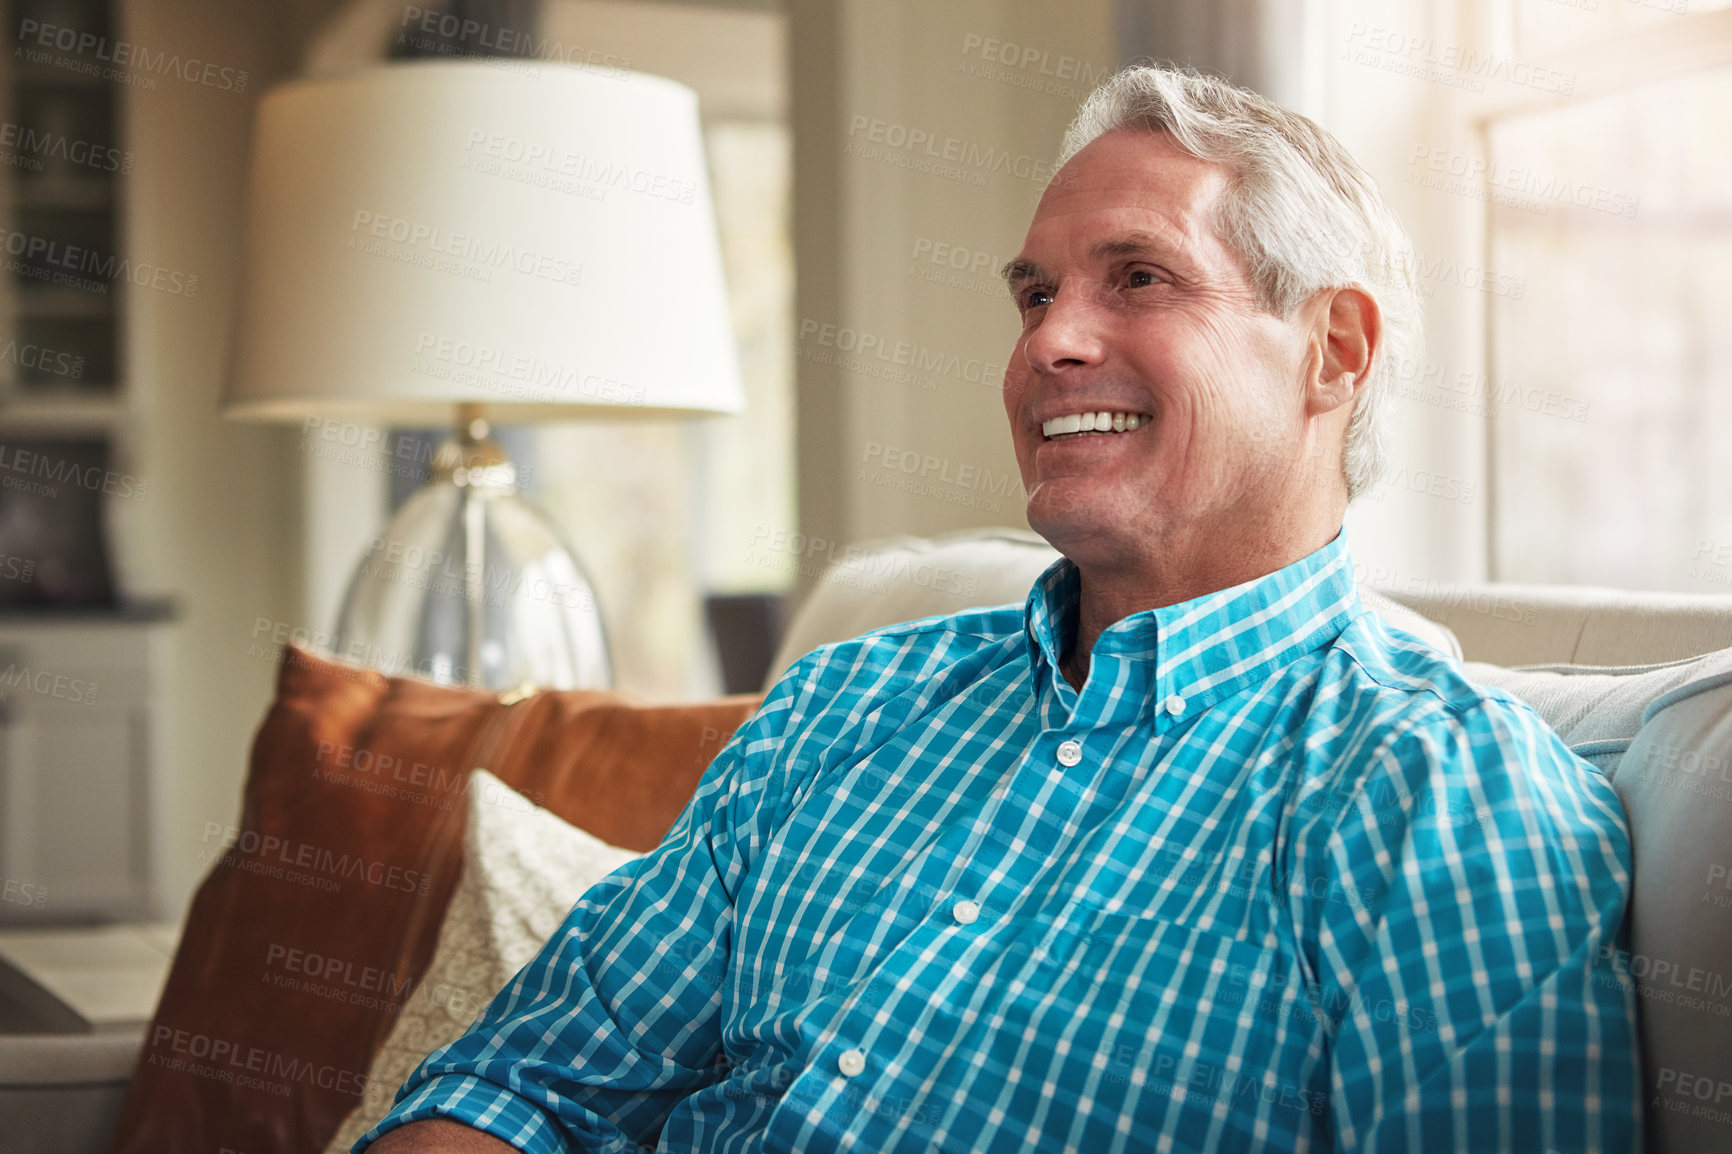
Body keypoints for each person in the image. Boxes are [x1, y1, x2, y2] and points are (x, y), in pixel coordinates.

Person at [360, 64, 1641, 1153]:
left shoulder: (1440, 794)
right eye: (1035, 295)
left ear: (1333, 350)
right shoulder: (840, 701)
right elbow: (526, 1079)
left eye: (1137, 278)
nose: (1047, 344)